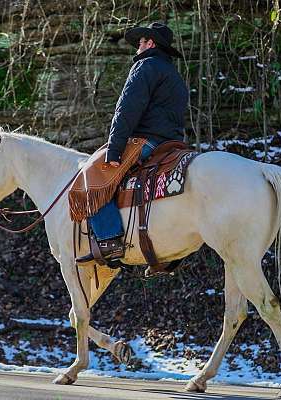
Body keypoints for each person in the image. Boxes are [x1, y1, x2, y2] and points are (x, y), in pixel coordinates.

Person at [75, 22, 189, 264]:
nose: (137, 47)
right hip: (172, 144)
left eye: (140, 42)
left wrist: (114, 151)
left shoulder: (144, 66)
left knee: (92, 175)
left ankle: (108, 241)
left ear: (150, 43)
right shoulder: (175, 76)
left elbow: (126, 111)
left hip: (145, 142)